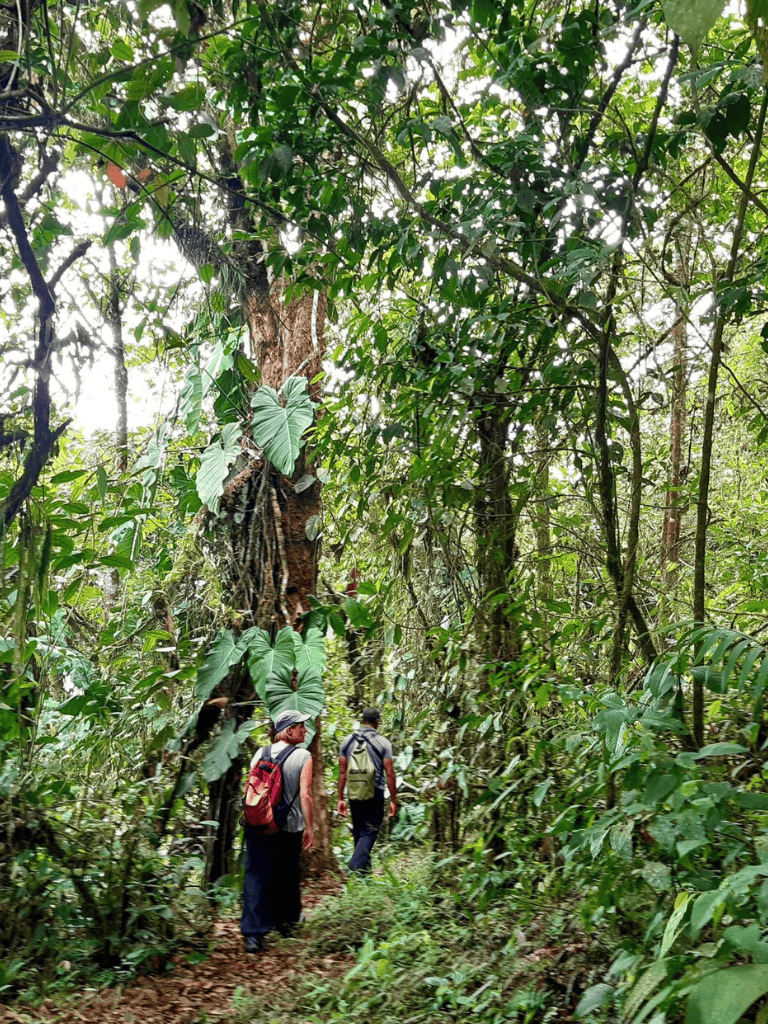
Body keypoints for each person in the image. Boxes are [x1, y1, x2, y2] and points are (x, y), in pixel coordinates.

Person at [240, 709, 314, 953]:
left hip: (258, 823)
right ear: (288, 730)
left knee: (256, 874)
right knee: (287, 875)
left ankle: (253, 935)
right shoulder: (303, 756)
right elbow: (305, 795)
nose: (304, 730)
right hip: (287, 825)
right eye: (300, 726)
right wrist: (309, 827)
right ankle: (287, 924)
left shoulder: (259, 753)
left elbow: (250, 789)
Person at [337, 708, 397, 875]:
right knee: (371, 831)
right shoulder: (383, 742)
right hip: (375, 791)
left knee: (359, 831)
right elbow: (390, 773)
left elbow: (342, 772)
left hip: (354, 792)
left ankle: (364, 876)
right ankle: (355, 867)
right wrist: (393, 800)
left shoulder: (347, 742)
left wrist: (340, 798)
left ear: (363, 721)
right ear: (377, 721)